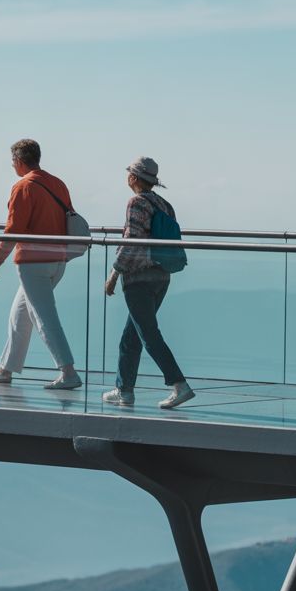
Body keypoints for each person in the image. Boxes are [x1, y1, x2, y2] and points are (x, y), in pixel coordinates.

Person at [0, 139, 83, 389]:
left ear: (18, 161)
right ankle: (6, 369)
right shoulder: (57, 183)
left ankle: (68, 372)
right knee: (20, 315)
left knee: (44, 317)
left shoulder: (23, 186)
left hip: (33, 263)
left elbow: (13, 229)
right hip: (58, 260)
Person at [101, 157, 194, 409]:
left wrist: (113, 275)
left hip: (138, 278)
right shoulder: (165, 205)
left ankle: (180, 385)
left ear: (133, 178)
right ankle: (124, 390)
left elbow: (131, 241)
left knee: (148, 335)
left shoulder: (137, 203)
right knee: (131, 337)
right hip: (161, 276)